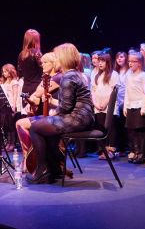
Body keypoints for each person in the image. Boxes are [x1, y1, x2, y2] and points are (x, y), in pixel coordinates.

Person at [26, 43, 94, 184]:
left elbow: (65, 108)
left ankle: (42, 171)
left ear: (63, 59)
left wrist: (51, 115)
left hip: (78, 118)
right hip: (85, 117)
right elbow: (68, 105)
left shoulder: (68, 77)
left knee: (35, 127)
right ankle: (54, 170)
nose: (55, 60)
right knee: (46, 129)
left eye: (56, 57)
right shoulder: (77, 74)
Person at [16, 52, 61, 170]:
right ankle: (30, 156)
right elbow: (36, 97)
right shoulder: (46, 77)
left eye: (45, 62)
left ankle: (31, 156)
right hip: (48, 115)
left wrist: (35, 96)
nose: (42, 65)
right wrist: (31, 101)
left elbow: (38, 93)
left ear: (54, 63)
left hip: (57, 116)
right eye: (42, 63)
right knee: (20, 123)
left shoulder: (58, 77)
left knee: (21, 124)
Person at [124, 51, 145, 164]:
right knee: (132, 131)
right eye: (129, 61)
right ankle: (136, 152)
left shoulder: (143, 75)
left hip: (140, 105)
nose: (130, 63)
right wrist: (125, 106)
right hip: (131, 105)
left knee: (141, 131)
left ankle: (142, 154)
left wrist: (144, 107)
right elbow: (127, 91)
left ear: (139, 63)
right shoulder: (128, 74)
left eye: (133, 61)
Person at [0, 63, 20, 151]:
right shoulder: (5, 82)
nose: (4, 73)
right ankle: (8, 142)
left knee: (11, 125)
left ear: (10, 71)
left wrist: (14, 106)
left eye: (5, 71)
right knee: (6, 125)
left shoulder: (14, 82)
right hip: (4, 105)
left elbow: (15, 94)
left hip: (11, 105)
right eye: (3, 72)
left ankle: (12, 143)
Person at [17, 29, 43, 107]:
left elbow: (20, 73)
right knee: (37, 117)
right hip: (36, 89)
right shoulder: (37, 54)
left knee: (27, 115)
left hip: (25, 89)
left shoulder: (21, 55)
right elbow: (44, 71)